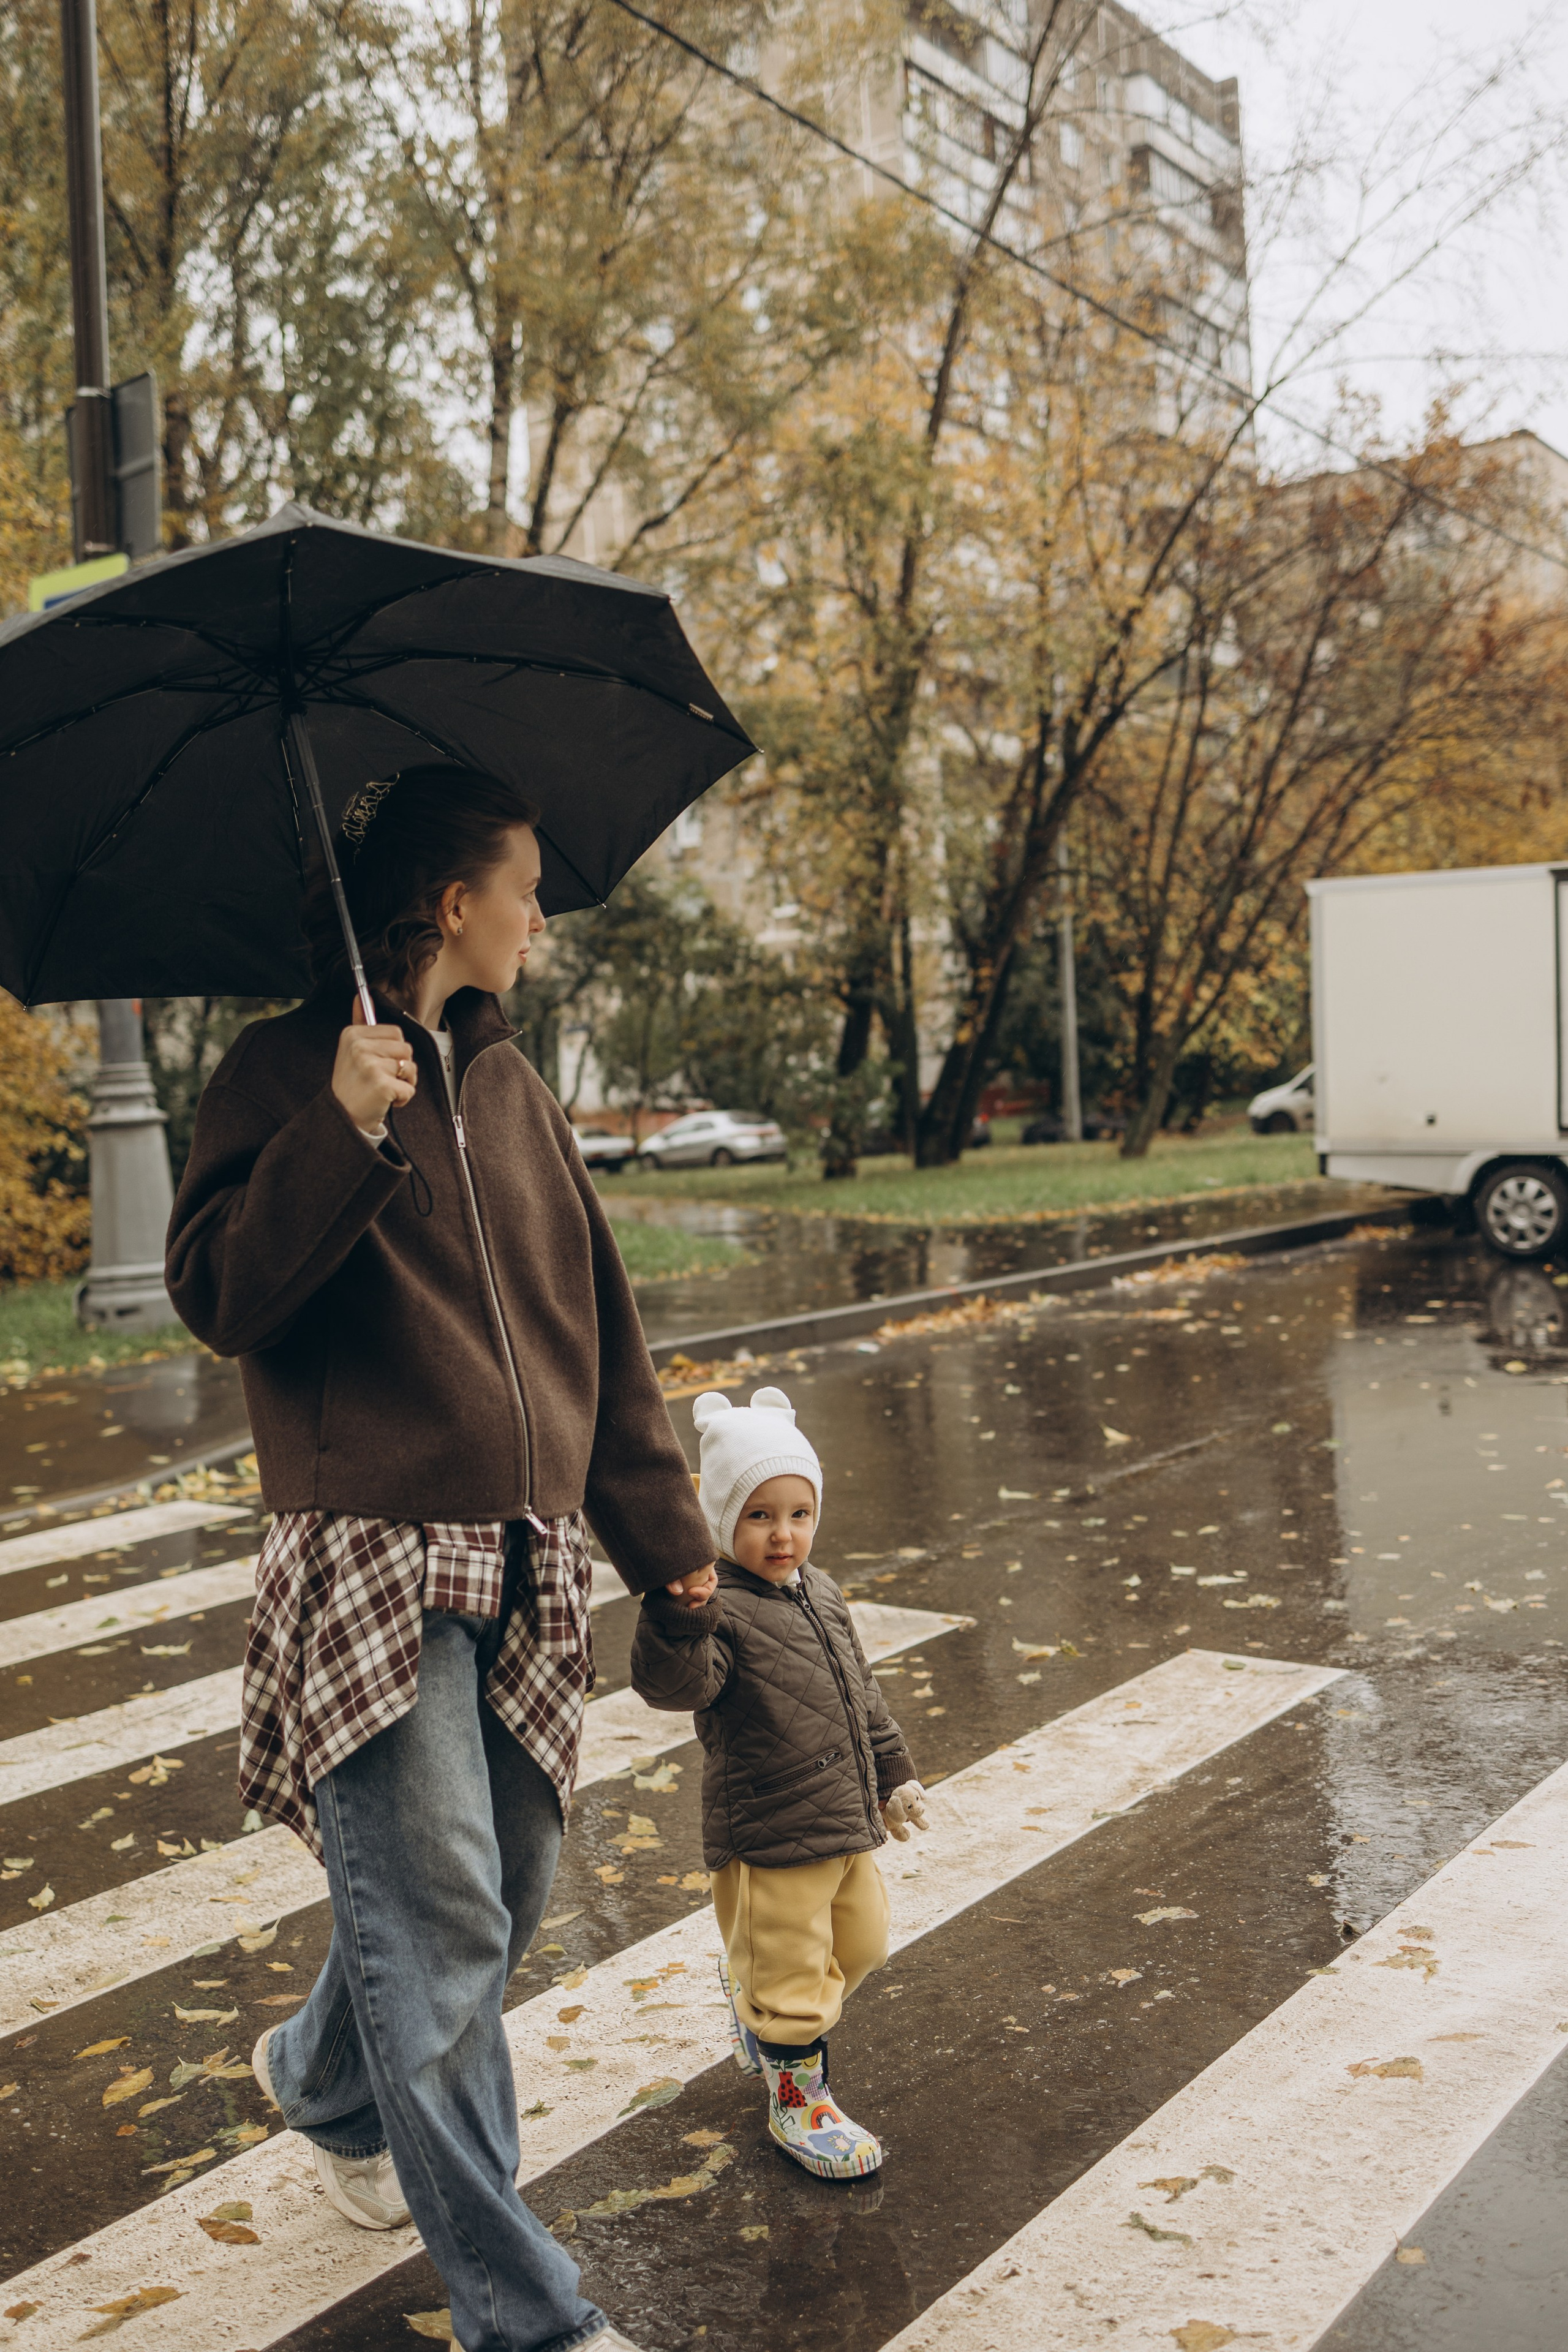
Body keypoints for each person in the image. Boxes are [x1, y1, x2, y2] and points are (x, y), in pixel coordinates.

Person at [165, 763, 715, 2352]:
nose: (542, 915)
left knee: (495, 1886)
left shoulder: (513, 1087)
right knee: (450, 1915)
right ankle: (525, 2316)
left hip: (530, 1565)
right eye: (526, 886)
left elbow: (598, 1333)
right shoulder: (286, 1074)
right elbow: (220, 1298)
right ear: (453, 901)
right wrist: (337, 1134)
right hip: (374, 1561)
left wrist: (668, 1543)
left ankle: (327, 2083)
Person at [629, 1386, 929, 2180]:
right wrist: (675, 1615)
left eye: (799, 1513)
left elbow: (860, 1690)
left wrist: (893, 1771)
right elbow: (678, 1685)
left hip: (842, 1819)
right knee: (797, 1987)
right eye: (760, 1516)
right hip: (768, 1835)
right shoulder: (717, 1607)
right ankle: (798, 2100)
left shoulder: (821, 1592)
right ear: (724, 1519)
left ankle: (755, 2002)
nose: (784, 1533)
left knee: (862, 1946)